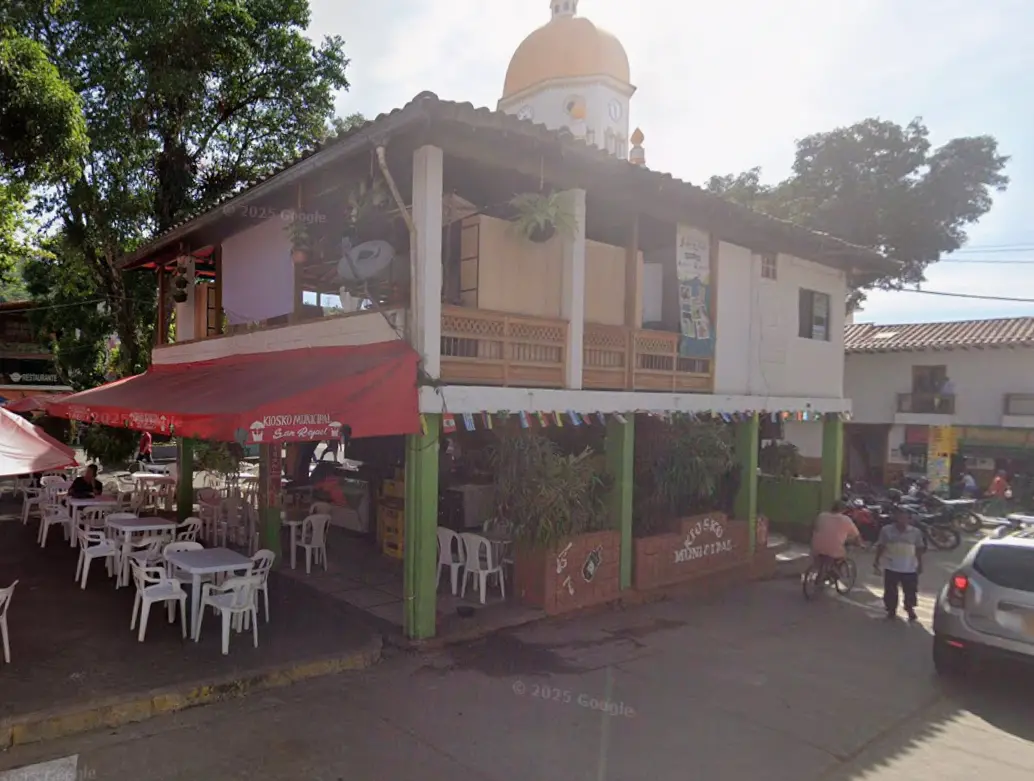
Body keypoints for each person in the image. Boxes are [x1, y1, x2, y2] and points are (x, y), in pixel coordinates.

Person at [873, 509, 926, 621]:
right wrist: (877, 560)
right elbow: (881, 546)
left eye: (905, 518)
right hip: (891, 565)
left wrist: (920, 564)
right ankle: (891, 609)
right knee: (890, 590)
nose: (902, 520)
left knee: (910, 590)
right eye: (900, 517)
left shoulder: (915, 532)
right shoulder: (886, 530)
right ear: (895, 518)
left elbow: (919, 548)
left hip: (910, 567)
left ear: (909, 519)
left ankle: (909, 608)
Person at [810, 500, 862, 580]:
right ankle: (834, 571)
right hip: (833, 549)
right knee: (841, 556)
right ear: (844, 510)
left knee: (821, 556)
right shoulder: (846, 520)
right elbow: (857, 535)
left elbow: (814, 527)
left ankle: (823, 572)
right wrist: (860, 544)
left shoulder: (822, 515)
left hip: (816, 546)